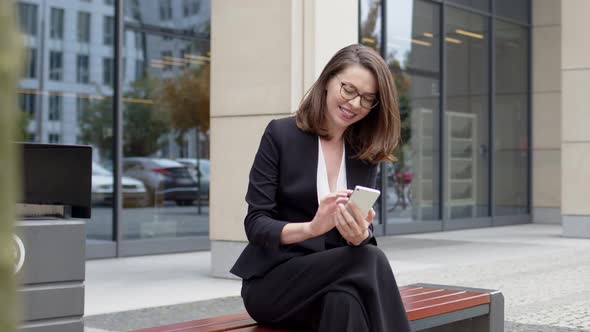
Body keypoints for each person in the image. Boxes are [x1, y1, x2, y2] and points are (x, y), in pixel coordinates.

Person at [230, 44, 411, 332]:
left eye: (367, 99)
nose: (355, 104)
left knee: (345, 301)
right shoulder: (281, 135)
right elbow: (256, 224)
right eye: (348, 90)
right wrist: (313, 227)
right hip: (274, 283)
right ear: (328, 80)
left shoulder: (363, 153)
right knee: (370, 257)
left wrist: (360, 234)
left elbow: (361, 240)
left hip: (334, 282)